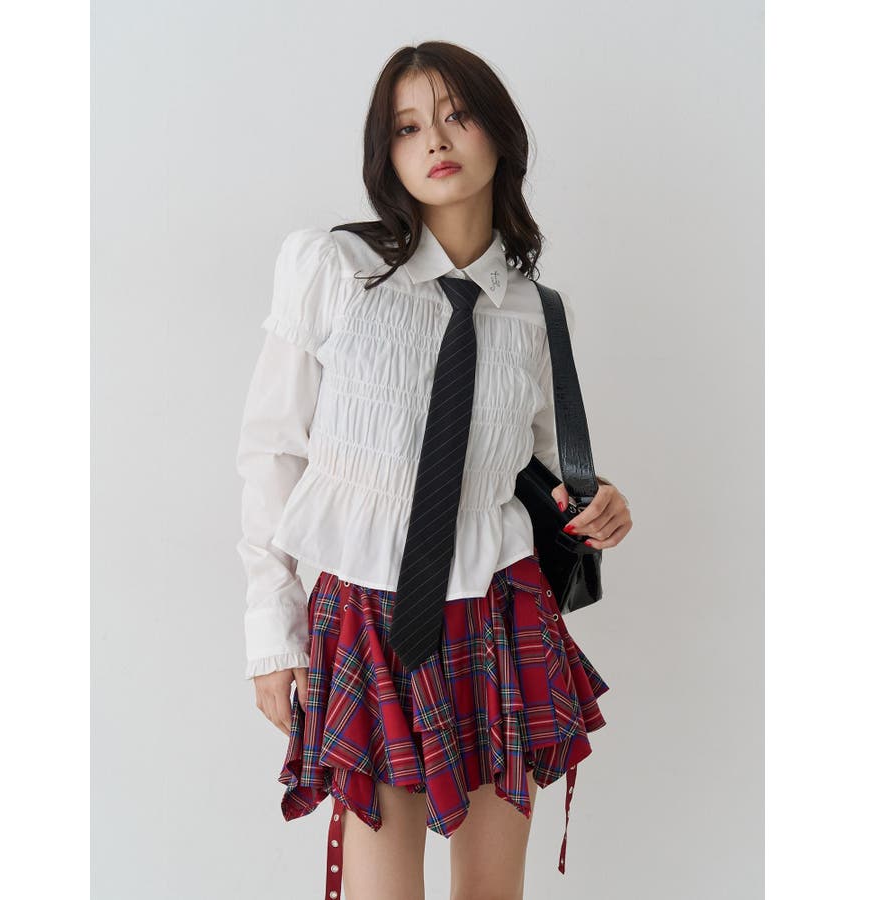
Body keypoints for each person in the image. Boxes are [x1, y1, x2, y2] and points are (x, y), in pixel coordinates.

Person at [235, 40, 633, 900]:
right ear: (387, 153)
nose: (436, 140)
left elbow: (533, 468)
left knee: (492, 890)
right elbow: (271, 451)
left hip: (500, 608)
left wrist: (600, 501)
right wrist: (273, 632)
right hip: (369, 612)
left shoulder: (536, 310)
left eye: (456, 116)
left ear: (499, 134)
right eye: (408, 127)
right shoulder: (334, 270)